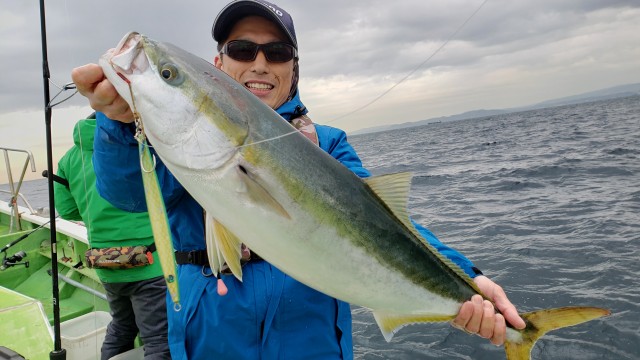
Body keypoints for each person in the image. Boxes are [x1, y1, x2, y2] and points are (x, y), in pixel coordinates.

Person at [71, 1, 526, 358]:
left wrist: (469, 279)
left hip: (312, 345)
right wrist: (120, 121)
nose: (260, 63)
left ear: (293, 66)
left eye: (278, 52)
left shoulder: (328, 144)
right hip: (213, 340)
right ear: (217, 64)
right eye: (242, 50)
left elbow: (390, 229)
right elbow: (126, 194)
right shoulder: (171, 146)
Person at [54, 118, 171, 360]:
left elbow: (67, 211)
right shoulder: (139, 145)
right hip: (151, 263)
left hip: (106, 263)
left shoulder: (68, 159)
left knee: (121, 326)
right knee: (159, 341)